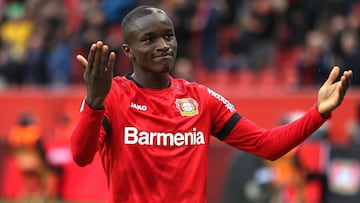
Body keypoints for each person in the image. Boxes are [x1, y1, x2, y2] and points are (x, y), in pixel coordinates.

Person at [70, 5, 353, 203]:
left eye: (168, 36)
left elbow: (269, 145)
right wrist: (94, 103)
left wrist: (318, 113)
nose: (163, 45)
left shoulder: (199, 99)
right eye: (149, 39)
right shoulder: (112, 95)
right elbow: (81, 157)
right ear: (128, 51)